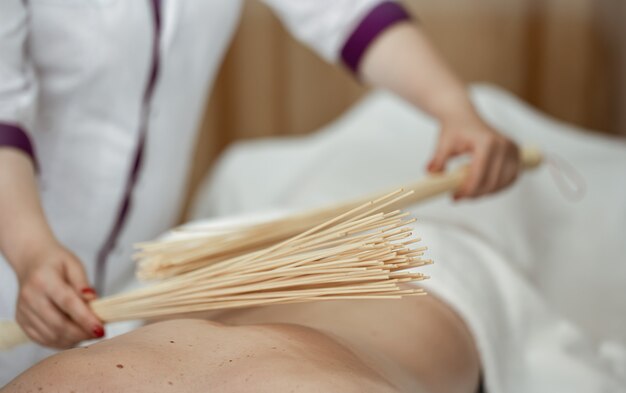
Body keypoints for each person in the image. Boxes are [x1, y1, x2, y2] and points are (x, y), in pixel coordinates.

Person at [0, 0, 519, 383]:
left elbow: (344, 12)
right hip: (14, 250)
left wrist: (454, 107)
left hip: (123, 271)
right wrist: (30, 253)